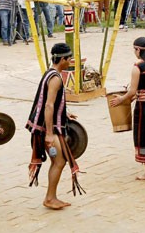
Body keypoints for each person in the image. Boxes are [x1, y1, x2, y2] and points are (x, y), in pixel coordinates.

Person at [27, 43, 84, 210]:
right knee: (59, 161)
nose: (70, 61)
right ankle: (50, 198)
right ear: (63, 59)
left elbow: (50, 102)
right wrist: (50, 134)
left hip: (45, 125)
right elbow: (49, 105)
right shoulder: (56, 78)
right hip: (46, 128)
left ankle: (51, 197)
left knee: (58, 161)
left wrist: (64, 113)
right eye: (69, 58)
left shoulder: (50, 73)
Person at [111, 37, 145, 180]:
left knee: (142, 136)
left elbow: (132, 91)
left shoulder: (138, 67)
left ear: (138, 50)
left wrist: (121, 100)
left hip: (144, 107)